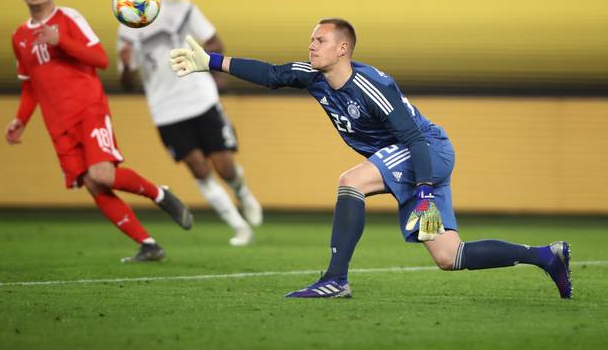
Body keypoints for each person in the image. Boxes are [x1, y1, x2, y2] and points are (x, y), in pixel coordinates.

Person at [169, 18, 573, 299]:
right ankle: (544, 256)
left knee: (352, 181)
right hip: (412, 160)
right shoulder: (312, 75)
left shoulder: (371, 84)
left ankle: (335, 279)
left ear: (342, 48)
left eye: (320, 40)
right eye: (311, 39)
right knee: (450, 256)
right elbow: (271, 73)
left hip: (427, 152)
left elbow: (414, 137)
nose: (312, 45)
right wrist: (211, 62)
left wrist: (425, 191)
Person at [6, 0, 193, 262]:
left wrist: (61, 41)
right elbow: (31, 85)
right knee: (94, 184)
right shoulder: (19, 36)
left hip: (87, 109)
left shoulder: (68, 19)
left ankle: (159, 194)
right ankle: (148, 244)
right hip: (58, 124)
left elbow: (101, 59)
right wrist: (21, 119)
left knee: (102, 174)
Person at [117, 0, 262, 246]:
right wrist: (125, 65)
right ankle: (238, 225)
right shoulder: (126, 29)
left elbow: (215, 41)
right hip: (165, 109)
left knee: (224, 166)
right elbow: (128, 82)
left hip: (200, 97)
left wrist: (210, 62)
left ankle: (242, 193)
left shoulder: (182, 9)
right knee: (198, 168)